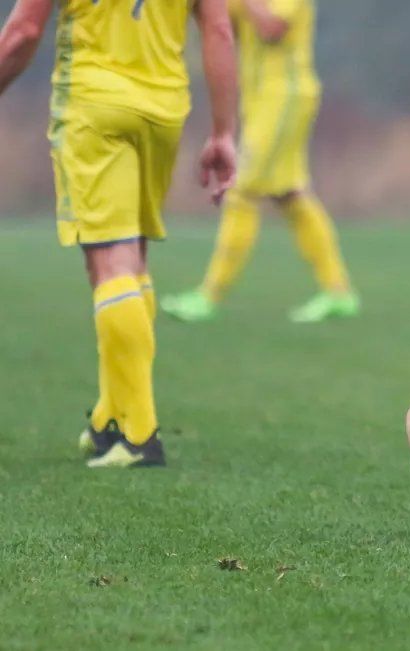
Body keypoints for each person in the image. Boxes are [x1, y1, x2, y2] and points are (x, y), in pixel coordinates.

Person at [0, 0, 239, 467]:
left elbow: (24, 31)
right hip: (163, 110)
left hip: (95, 105)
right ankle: (113, 414)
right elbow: (220, 30)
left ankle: (140, 435)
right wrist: (224, 132)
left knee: (110, 261)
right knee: (131, 261)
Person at [162, 0, 359, 324]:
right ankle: (339, 292)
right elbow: (226, 29)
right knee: (291, 194)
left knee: (242, 190)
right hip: (261, 98)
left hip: (285, 96)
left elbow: (273, 28)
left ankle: (209, 295)